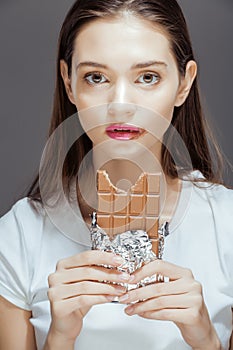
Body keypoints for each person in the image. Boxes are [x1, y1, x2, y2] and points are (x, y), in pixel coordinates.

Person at [0, 0, 232, 349]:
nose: (121, 103)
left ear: (184, 84)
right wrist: (60, 338)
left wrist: (206, 339)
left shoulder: (227, 223)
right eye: (96, 77)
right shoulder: (19, 234)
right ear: (68, 82)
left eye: (148, 77)